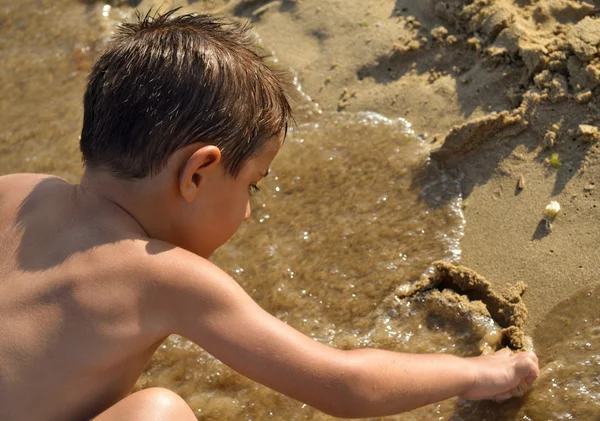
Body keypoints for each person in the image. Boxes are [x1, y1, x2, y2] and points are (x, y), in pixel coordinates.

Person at [0, 9, 539, 421]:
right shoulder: (160, 276)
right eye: (253, 184)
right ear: (197, 173)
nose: (251, 210)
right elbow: (344, 384)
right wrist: (476, 372)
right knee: (157, 413)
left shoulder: (19, 193)